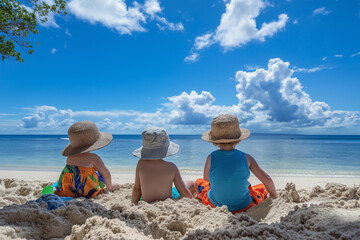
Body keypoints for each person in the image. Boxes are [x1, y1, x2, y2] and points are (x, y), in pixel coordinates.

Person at [194, 114, 277, 214]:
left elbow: (208, 182)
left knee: (199, 182)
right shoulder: (247, 158)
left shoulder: (211, 157)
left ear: (214, 140)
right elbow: (267, 179)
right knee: (262, 188)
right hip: (244, 206)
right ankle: (269, 196)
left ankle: (197, 196)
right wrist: (274, 197)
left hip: (214, 204)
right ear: (238, 138)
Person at [54, 121, 120, 198]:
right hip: (87, 191)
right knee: (100, 175)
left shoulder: (69, 157)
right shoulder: (93, 157)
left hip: (69, 190)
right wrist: (110, 186)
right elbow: (106, 173)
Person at [131, 127, 193, 203]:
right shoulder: (172, 167)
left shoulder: (141, 163)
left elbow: (137, 189)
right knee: (191, 183)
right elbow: (184, 192)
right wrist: (192, 201)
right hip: (167, 201)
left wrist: (133, 204)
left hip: (146, 201)